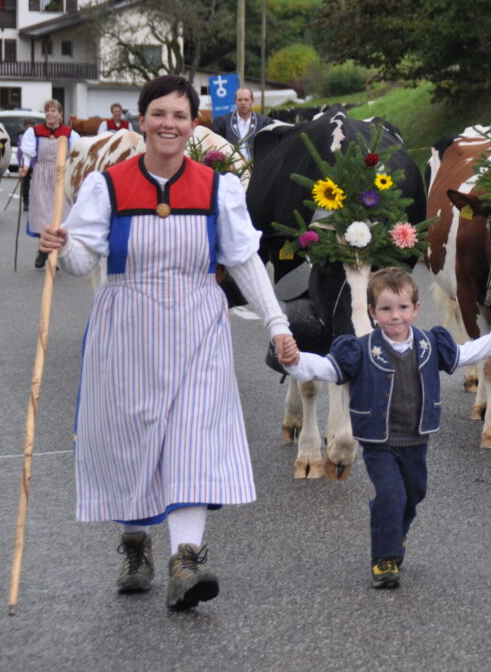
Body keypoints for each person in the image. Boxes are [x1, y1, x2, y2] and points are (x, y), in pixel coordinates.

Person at [39, 75, 300, 610]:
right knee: (133, 436)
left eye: (180, 116)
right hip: (126, 323)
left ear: (193, 124)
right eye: (159, 113)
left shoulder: (216, 187)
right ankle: (136, 545)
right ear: (142, 120)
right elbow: (83, 261)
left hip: (198, 323)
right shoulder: (107, 186)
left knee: (193, 437)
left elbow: (244, 261)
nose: (169, 124)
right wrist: (60, 247)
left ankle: (186, 558)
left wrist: (277, 323)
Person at [279, 266, 491, 589]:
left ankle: (396, 531)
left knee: (414, 493)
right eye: (385, 309)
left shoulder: (429, 344)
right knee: (391, 493)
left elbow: (465, 354)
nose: (394, 316)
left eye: (402, 308)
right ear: (372, 312)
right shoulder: (359, 349)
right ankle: (384, 558)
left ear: (416, 309)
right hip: (378, 441)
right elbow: (327, 368)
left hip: (416, 439)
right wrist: (295, 361)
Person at [19, 99, 80, 269]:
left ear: (60, 114)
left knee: (60, 216)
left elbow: (76, 157)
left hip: (62, 176)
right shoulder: (35, 132)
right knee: (42, 214)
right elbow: (28, 153)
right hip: (41, 174)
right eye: (47, 111)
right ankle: (43, 250)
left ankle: (55, 253)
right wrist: (24, 167)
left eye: (54, 111)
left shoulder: (69, 134)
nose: (50, 114)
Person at [209, 86, 274, 162]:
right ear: (235, 101)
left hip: (257, 168)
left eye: (246, 99)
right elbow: (214, 145)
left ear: (252, 101)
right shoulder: (222, 122)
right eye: (240, 100)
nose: (243, 103)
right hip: (231, 168)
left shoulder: (264, 122)